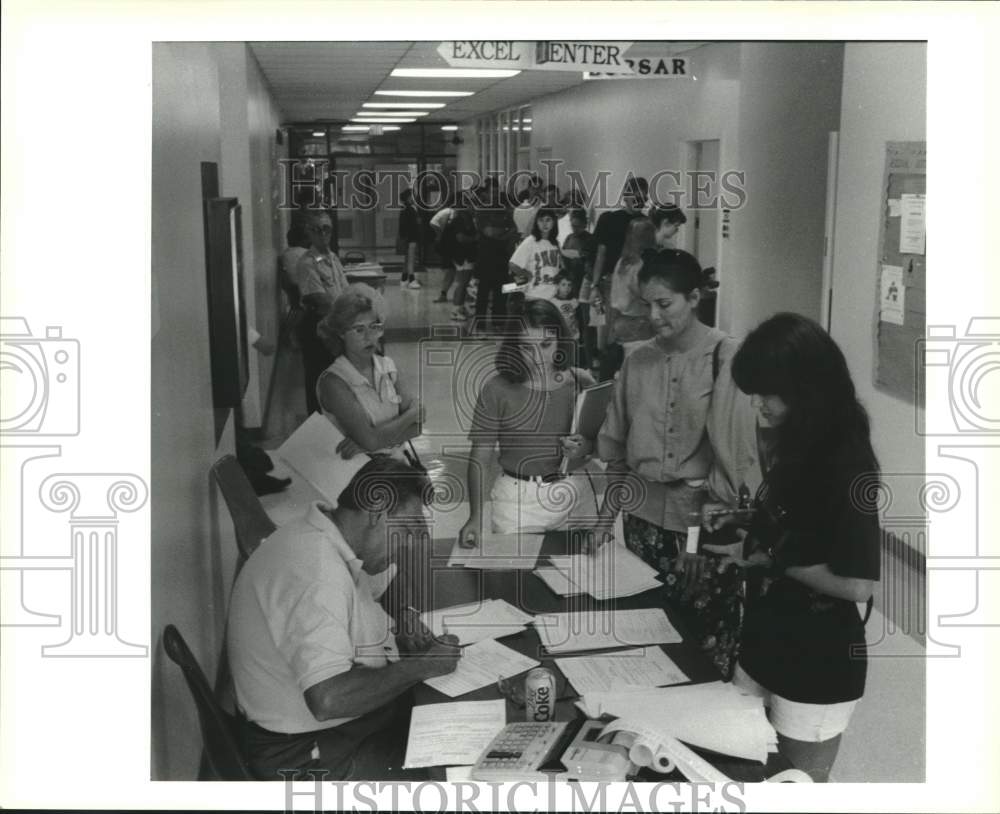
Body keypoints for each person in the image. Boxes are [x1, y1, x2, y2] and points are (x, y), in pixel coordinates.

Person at [706, 312, 881, 782]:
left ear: (806, 388)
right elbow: (798, 524)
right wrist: (746, 522)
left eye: (767, 393)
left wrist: (772, 560)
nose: (756, 404)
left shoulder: (847, 461)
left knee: (795, 788)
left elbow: (858, 584)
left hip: (819, 657)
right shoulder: (797, 439)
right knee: (743, 768)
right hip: (766, 636)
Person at [227, 456, 461, 780]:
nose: (407, 545)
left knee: (447, 726)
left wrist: (404, 618)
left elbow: (384, 583)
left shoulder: (325, 533)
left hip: (328, 731)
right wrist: (423, 665)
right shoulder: (316, 573)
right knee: (454, 771)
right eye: (405, 530)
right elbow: (328, 698)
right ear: (376, 513)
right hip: (306, 756)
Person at [590, 250, 760, 678]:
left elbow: (740, 460)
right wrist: (602, 522)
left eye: (665, 304)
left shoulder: (727, 357)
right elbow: (615, 450)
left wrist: (718, 530)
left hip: (702, 529)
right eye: (647, 304)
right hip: (642, 523)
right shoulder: (637, 361)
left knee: (704, 644)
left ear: (695, 297)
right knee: (646, 639)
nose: (654, 316)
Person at [459, 299, 596, 546]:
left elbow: (601, 442)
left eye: (546, 344)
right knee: (518, 581)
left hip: (575, 493)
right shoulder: (497, 389)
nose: (538, 357)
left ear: (560, 340)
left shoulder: (579, 381)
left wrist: (584, 447)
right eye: (526, 347)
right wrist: (475, 516)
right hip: (518, 501)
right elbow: (480, 457)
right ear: (513, 347)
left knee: (581, 578)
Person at [316, 287, 423, 460]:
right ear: (341, 334)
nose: (370, 336)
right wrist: (410, 415)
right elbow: (372, 441)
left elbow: (417, 428)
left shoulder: (387, 366)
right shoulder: (333, 382)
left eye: (374, 327)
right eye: (359, 329)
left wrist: (372, 441)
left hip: (397, 464)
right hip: (358, 473)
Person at [588, 176, 649, 372]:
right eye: (635, 196)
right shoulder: (610, 219)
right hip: (610, 282)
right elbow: (601, 253)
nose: (638, 201)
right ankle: (604, 378)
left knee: (631, 336)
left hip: (636, 284)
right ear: (625, 196)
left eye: (643, 197)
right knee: (608, 332)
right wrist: (594, 285)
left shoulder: (646, 223)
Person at [293, 210, 350, 415]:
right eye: (317, 230)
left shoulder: (332, 257)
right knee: (319, 379)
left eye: (326, 229)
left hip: (334, 324)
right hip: (318, 326)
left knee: (334, 379)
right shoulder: (307, 263)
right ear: (308, 232)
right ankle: (317, 425)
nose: (322, 234)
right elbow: (321, 301)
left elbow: (344, 290)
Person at [602, 217, 657, 379]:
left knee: (624, 372)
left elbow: (614, 296)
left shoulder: (622, 262)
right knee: (640, 374)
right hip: (639, 322)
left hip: (620, 320)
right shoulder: (641, 265)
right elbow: (644, 294)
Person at [508, 208, 562, 302]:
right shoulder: (530, 241)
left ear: (554, 222)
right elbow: (513, 264)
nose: (544, 224)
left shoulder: (555, 243)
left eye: (548, 220)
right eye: (541, 220)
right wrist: (528, 275)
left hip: (553, 295)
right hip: (535, 295)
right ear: (536, 222)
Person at [397, 189, 422, 289]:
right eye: (412, 195)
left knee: (407, 259)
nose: (414, 197)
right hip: (411, 237)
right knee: (411, 259)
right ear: (408, 197)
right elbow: (408, 225)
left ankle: (404, 279)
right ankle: (411, 279)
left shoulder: (406, 208)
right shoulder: (409, 209)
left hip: (409, 237)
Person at [548, 271, 580, 342]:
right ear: (557, 286)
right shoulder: (553, 302)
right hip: (561, 336)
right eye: (563, 285)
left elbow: (576, 319)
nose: (567, 288)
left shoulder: (574, 301)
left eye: (569, 285)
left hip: (574, 335)